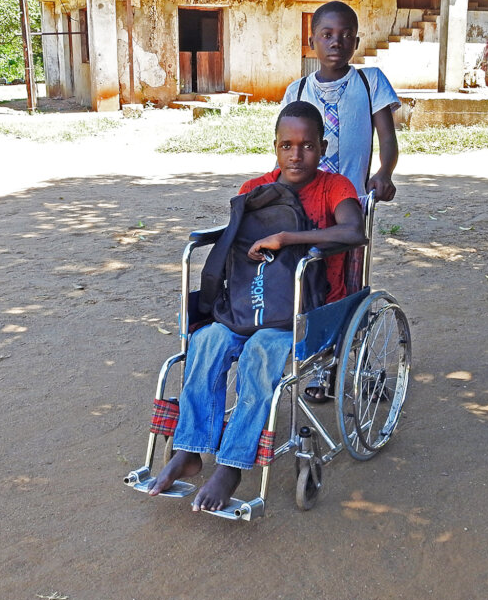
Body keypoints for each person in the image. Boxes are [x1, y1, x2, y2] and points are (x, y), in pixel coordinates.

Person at [148, 101, 365, 512]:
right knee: (209, 339)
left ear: (322, 148)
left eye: (307, 146)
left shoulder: (333, 188)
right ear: (275, 146)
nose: (295, 155)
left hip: (307, 310)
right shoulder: (254, 190)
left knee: (260, 352)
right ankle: (190, 448)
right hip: (250, 303)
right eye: (286, 145)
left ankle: (231, 465)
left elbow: (355, 232)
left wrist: (288, 237)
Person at [281, 0, 400, 202]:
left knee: (349, 233)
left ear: (356, 43)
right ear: (312, 42)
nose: (336, 42)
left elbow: (387, 138)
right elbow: (285, 146)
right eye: (327, 35)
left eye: (346, 35)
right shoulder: (297, 91)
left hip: (352, 200)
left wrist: (384, 172)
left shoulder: (370, 82)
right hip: (302, 201)